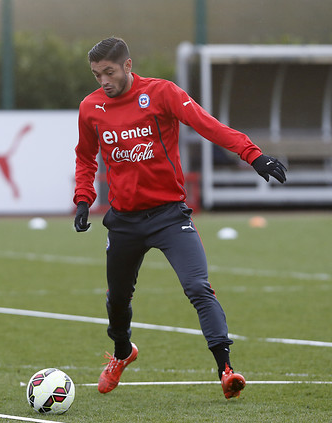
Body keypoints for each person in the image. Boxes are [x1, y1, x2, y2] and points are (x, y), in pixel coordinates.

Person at [73, 37, 287, 399]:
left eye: (108, 72)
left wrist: (253, 155)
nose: (103, 81)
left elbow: (207, 125)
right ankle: (123, 353)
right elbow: (85, 158)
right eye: (96, 75)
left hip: (170, 216)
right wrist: (83, 199)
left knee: (198, 287)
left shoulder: (162, 93)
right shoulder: (90, 108)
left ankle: (226, 370)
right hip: (124, 221)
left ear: (127, 66)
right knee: (118, 300)